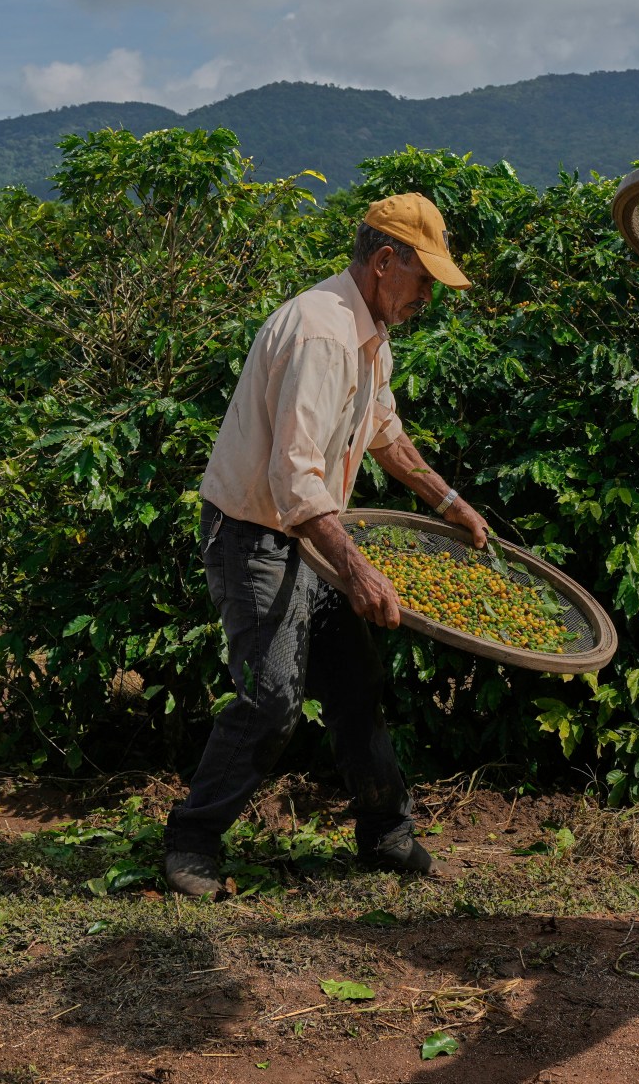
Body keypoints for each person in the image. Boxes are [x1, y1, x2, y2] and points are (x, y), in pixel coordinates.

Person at [163, 193, 491, 898]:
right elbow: (294, 479)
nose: (429, 296)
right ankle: (191, 841)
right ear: (385, 262)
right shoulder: (323, 333)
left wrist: (450, 501)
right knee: (271, 699)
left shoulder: (370, 333)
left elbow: (385, 432)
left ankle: (385, 833)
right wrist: (360, 570)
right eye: (424, 278)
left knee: (356, 685)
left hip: (312, 532)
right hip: (255, 534)